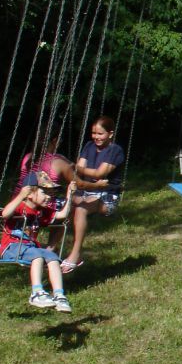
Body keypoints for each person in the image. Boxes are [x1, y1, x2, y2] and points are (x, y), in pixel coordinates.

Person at [0, 172, 76, 313]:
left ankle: (59, 295)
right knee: (38, 256)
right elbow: (5, 213)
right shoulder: (19, 206)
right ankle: (36, 293)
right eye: (45, 192)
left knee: (53, 257)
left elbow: (63, 214)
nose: (49, 197)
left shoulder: (42, 211)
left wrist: (69, 194)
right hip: (12, 247)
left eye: (50, 193)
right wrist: (20, 196)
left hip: (31, 247)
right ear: (29, 193)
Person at [61, 116, 125, 273]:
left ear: (110, 134)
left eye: (100, 134)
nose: (96, 137)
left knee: (81, 209)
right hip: (87, 191)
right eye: (93, 133)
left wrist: (75, 167)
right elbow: (80, 170)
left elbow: (99, 173)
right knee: (64, 206)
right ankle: (52, 248)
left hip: (107, 197)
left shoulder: (115, 151)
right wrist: (78, 169)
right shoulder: (89, 146)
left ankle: (76, 254)